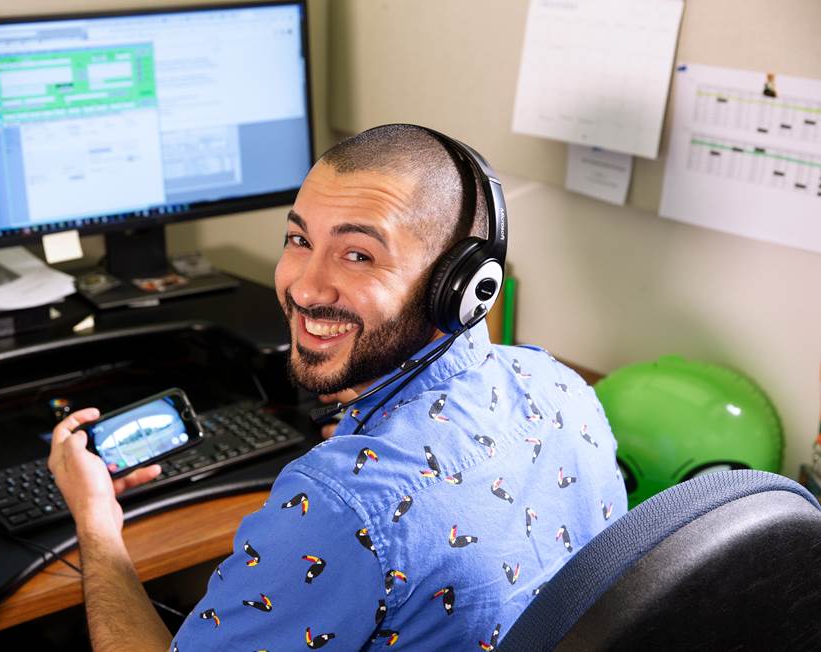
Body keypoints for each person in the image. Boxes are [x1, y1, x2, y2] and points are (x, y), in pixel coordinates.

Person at [49, 124, 628, 650]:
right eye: (299, 240)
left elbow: (363, 513)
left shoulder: (338, 502)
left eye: (358, 255)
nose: (305, 286)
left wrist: (97, 526)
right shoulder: (559, 384)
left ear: (457, 286)